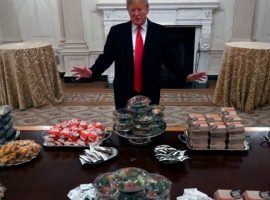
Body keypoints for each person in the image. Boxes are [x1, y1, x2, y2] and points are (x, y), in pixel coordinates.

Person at [72, 0, 207, 109]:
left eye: (140, 9)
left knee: (149, 125)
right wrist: (91, 71)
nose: (136, 13)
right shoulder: (116, 32)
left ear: (147, 9)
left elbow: (171, 59)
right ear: (128, 11)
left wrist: (185, 75)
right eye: (132, 10)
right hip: (124, 88)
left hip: (150, 88)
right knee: (125, 126)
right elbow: (106, 57)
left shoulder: (161, 32)